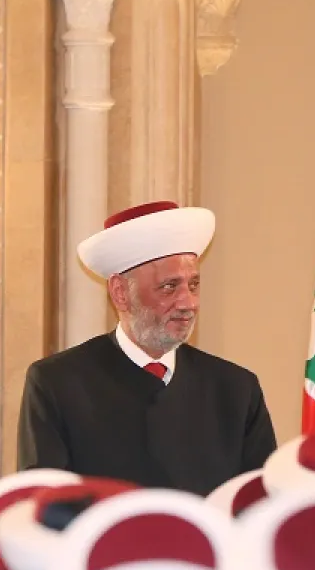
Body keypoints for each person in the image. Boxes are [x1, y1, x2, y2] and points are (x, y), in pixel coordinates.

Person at [18, 201, 277, 496]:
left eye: (193, 285)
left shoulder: (236, 390)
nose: (188, 303)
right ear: (120, 293)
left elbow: (260, 509)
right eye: (169, 287)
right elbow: (41, 510)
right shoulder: (57, 384)